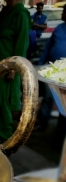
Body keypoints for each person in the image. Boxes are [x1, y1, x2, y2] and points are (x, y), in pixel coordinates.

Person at [0, 0, 29, 143]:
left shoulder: (21, 13)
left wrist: (14, 68)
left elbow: (22, 42)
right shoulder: (4, 11)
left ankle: (4, 140)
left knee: (3, 105)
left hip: (7, 69)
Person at [37, 8, 66, 147]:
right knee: (49, 97)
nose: (62, 14)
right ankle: (42, 123)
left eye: (64, 11)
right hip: (53, 69)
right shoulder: (60, 28)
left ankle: (60, 136)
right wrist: (41, 64)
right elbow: (48, 47)